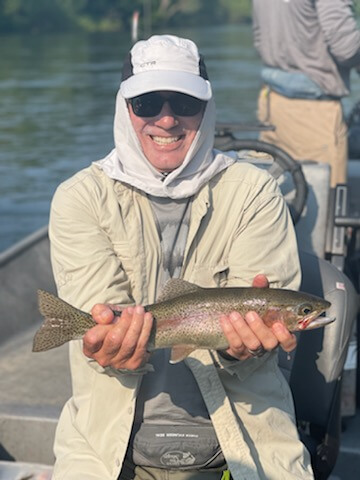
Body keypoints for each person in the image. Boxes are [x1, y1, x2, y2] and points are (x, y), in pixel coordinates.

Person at [49, 35, 313, 480]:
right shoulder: (80, 198)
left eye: (185, 102)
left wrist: (240, 350)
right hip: (105, 444)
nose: (167, 119)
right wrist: (108, 347)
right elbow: (100, 319)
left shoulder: (255, 191)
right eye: (148, 103)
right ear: (125, 107)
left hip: (246, 440)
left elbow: (259, 342)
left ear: (206, 108)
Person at [252, 0, 360, 187]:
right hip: (314, 112)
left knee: (275, 194)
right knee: (325, 199)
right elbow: (347, 48)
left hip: (271, 101)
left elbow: (260, 39)